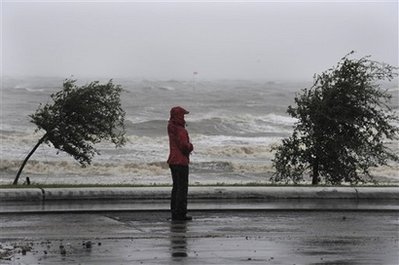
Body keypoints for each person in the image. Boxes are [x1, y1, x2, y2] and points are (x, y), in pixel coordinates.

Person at [167, 106, 194, 221]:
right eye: (183, 115)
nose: (184, 118)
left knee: (176, 188)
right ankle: (180, 213)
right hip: (181, 161)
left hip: (173, 160)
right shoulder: (181, 130)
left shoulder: (171, 127)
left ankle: (174, 212)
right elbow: (184, 146)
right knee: (182, 189)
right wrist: (191, 146)